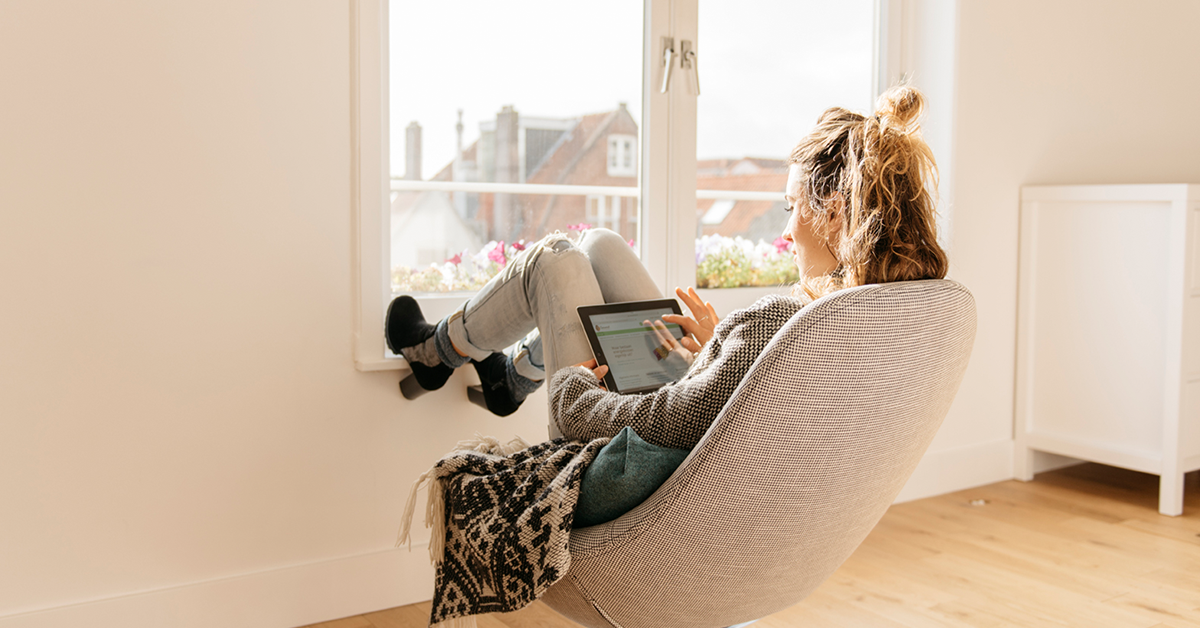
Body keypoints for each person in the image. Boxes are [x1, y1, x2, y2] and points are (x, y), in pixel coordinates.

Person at [387, 84, 948, 450]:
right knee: (601, 244)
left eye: (790, 208)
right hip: (692, 431)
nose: (783, 230)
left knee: (556, 260)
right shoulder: (886, 313)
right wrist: (716, 354)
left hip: (630, 460)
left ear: (832, 210)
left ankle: (442, 351)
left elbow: (670, 421)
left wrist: (577, 387)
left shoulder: (790, 322)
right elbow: (737, 407)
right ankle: (512, 376)